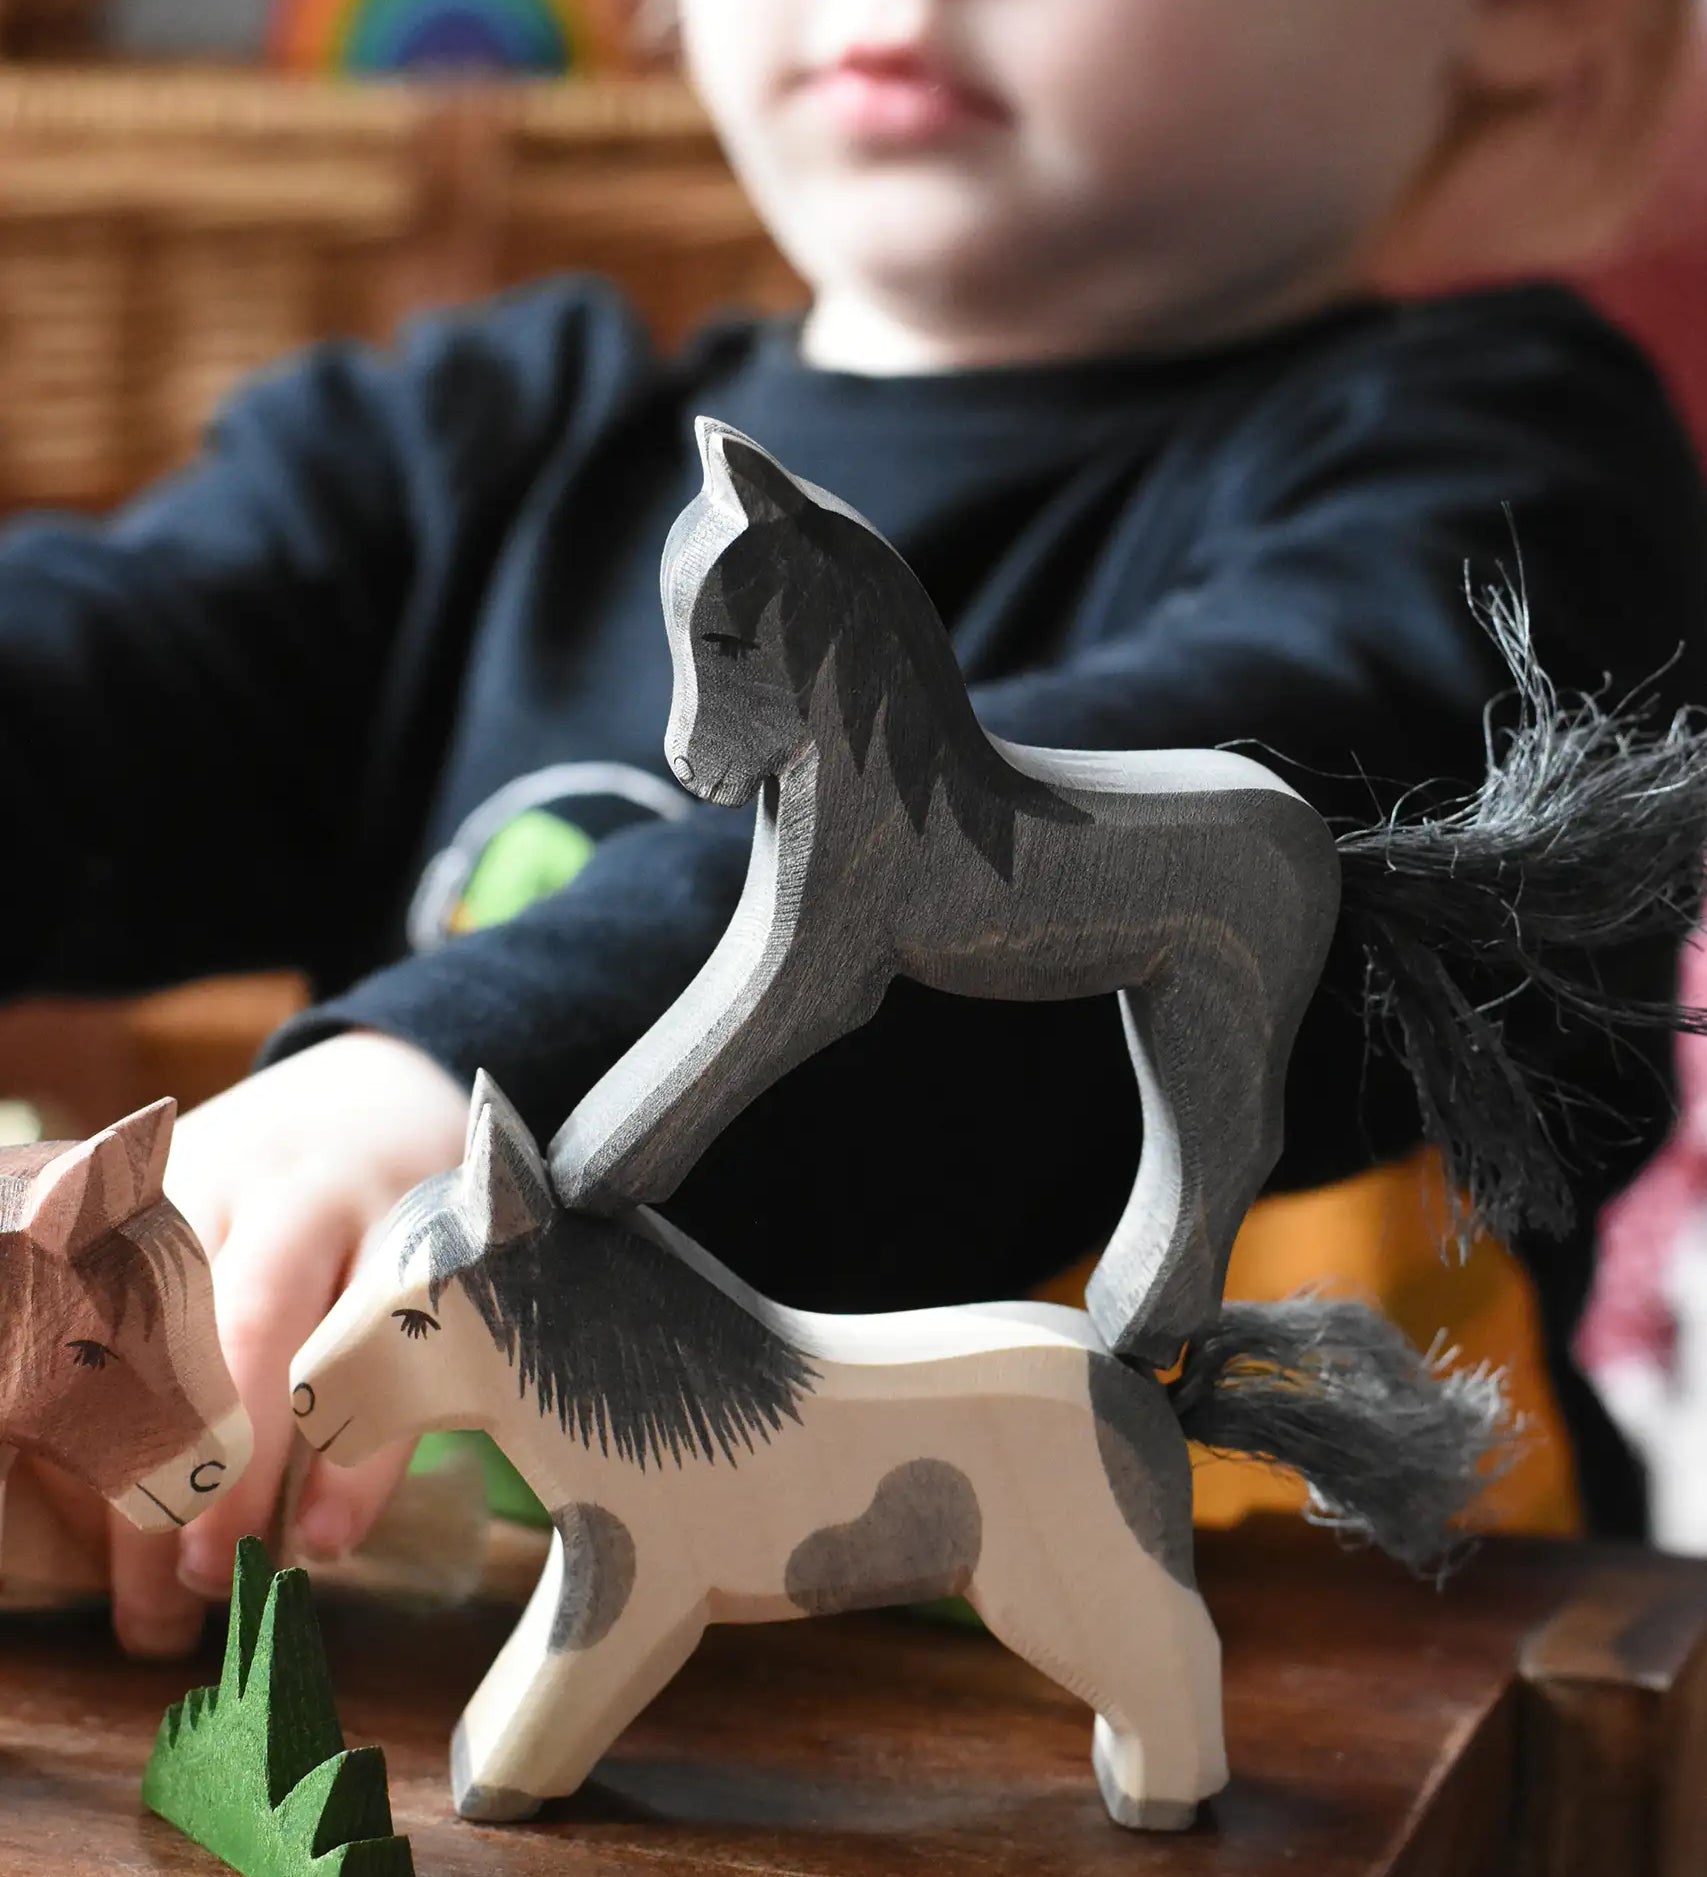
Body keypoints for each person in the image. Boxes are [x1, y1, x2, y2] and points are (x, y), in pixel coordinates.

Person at [4, 0, 1702, 1658]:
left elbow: (1223, 761)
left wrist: (443, 1089)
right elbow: (89, 687)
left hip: (1296, 1741)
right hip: (499, 1719)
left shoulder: (1517, 505)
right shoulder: (476, 450)